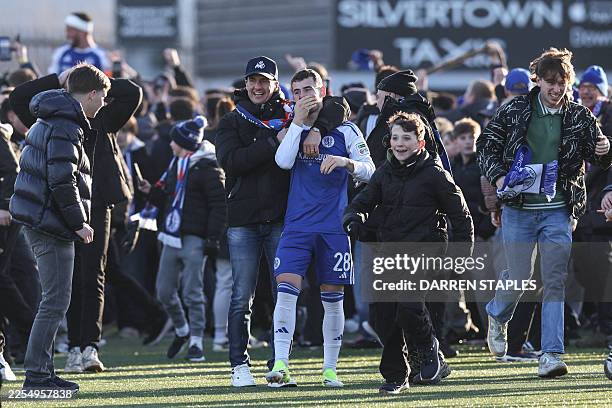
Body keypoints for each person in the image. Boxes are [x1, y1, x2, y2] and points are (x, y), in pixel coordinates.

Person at [477, 48, 612, 378]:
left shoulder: (580, 116)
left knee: (554, 280)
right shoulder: (516, 109)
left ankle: (551, 355)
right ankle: (497, 312)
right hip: (519, 209)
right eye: (550, 82)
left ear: (569, 82)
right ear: (538, 81)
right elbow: (486, 146)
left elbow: (601, 158)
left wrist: (604, 150)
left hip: (559, 210)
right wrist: (498, 178)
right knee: (521, 278)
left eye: (562, 82)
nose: (556, 89)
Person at [216, 56, 347, 387]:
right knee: (240, 296)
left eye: (265, 81)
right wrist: (273, 141)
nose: (258, 87)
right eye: (252, 81)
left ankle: (279, 366)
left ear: (276, 85)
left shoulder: (291, 112)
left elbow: (336, 106)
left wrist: (315, 126)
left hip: (281, 218)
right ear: (245, 84)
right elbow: (231, 162)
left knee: (284, 294)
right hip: (243, 220)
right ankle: (239, 367)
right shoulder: (232, 119)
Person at [10, 63, 142, 373]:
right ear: (91, 94)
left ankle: (89, 346)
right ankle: (69, 351)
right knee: (65, 282)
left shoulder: (102, 115)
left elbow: (131, 92)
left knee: (93, 273)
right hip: (65, 204)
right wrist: (65, 77)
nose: (104, 100)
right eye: (99, 94)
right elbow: (19, 98)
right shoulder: (56, 115)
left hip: (96, 202)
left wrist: (98, 76)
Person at [344, 112, 473, 394]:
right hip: (390, 251)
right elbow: (362, 202)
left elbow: (461, 216)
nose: (399, 143)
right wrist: (354, 218)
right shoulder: (384, 172)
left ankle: (428, 348)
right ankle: (395, 376)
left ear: (420, 143)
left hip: (428, 249)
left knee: (408, 301)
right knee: (381, 317)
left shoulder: (435, 174)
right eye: (395, 138)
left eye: (406, 138)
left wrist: (461, 256)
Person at [266, 68, 375, 388]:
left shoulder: (347, 129)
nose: (303, 96)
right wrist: (300, 124)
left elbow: (370, 170)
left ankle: (330, 370)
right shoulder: (292, 128)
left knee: (333, 298)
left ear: (322, 90)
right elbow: (283, 162)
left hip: (333, 229)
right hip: (297, 227)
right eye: (297, 91)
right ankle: (281, 365)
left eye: (308, 89)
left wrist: (345, 163)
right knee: (286, 292)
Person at [139, 116, 226, 362]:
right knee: (164, 290)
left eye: (174, 141)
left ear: (185, 143)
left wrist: (212, 238)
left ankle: (196, 340)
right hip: (171, 235)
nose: (170, 145)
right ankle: (182, 329)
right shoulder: (176, 164)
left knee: (192, 290)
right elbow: (168, 199)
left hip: (195, 237)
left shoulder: (209, 168)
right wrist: (151, 193)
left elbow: (219, 205)